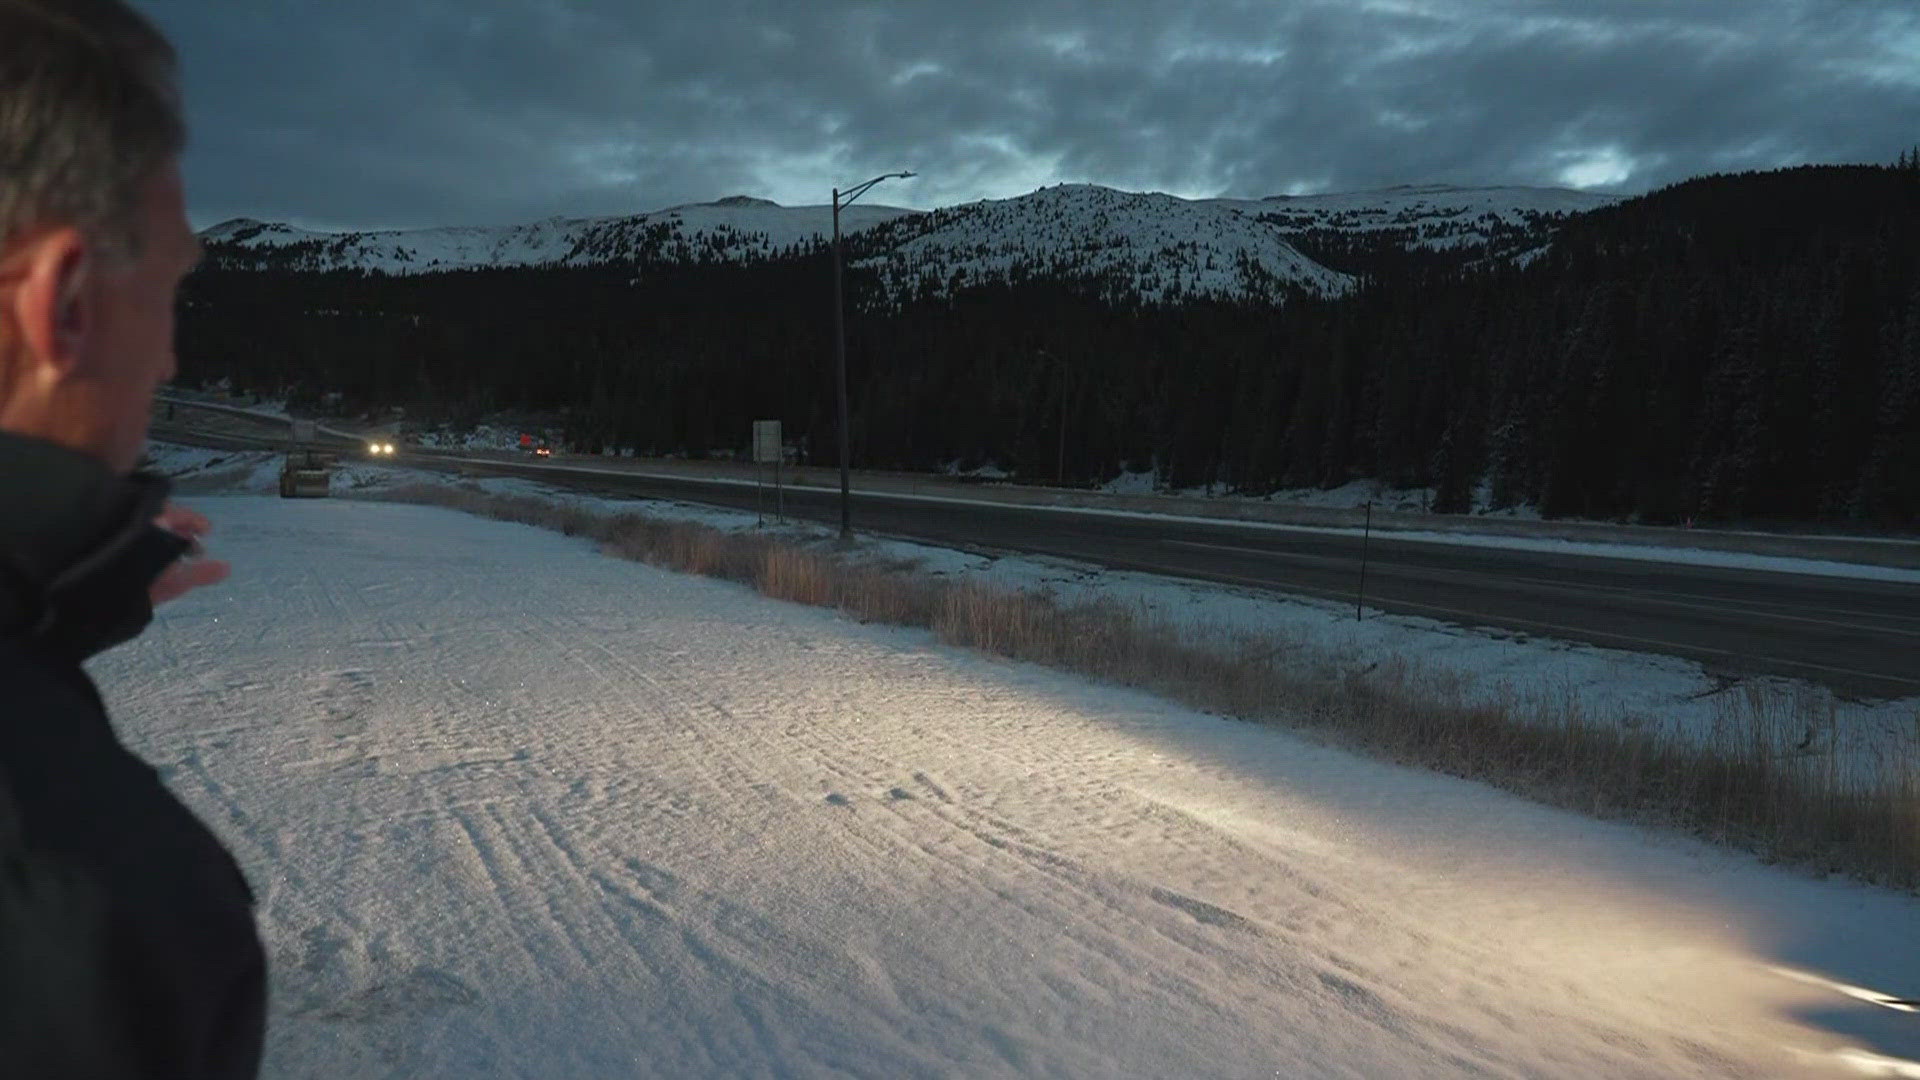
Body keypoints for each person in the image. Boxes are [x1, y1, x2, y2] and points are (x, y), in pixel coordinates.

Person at [0, 0, 265, 1075]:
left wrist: (36, 618)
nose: (164, 362)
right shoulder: (91, 907)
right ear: (64, 304)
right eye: (167, 291)